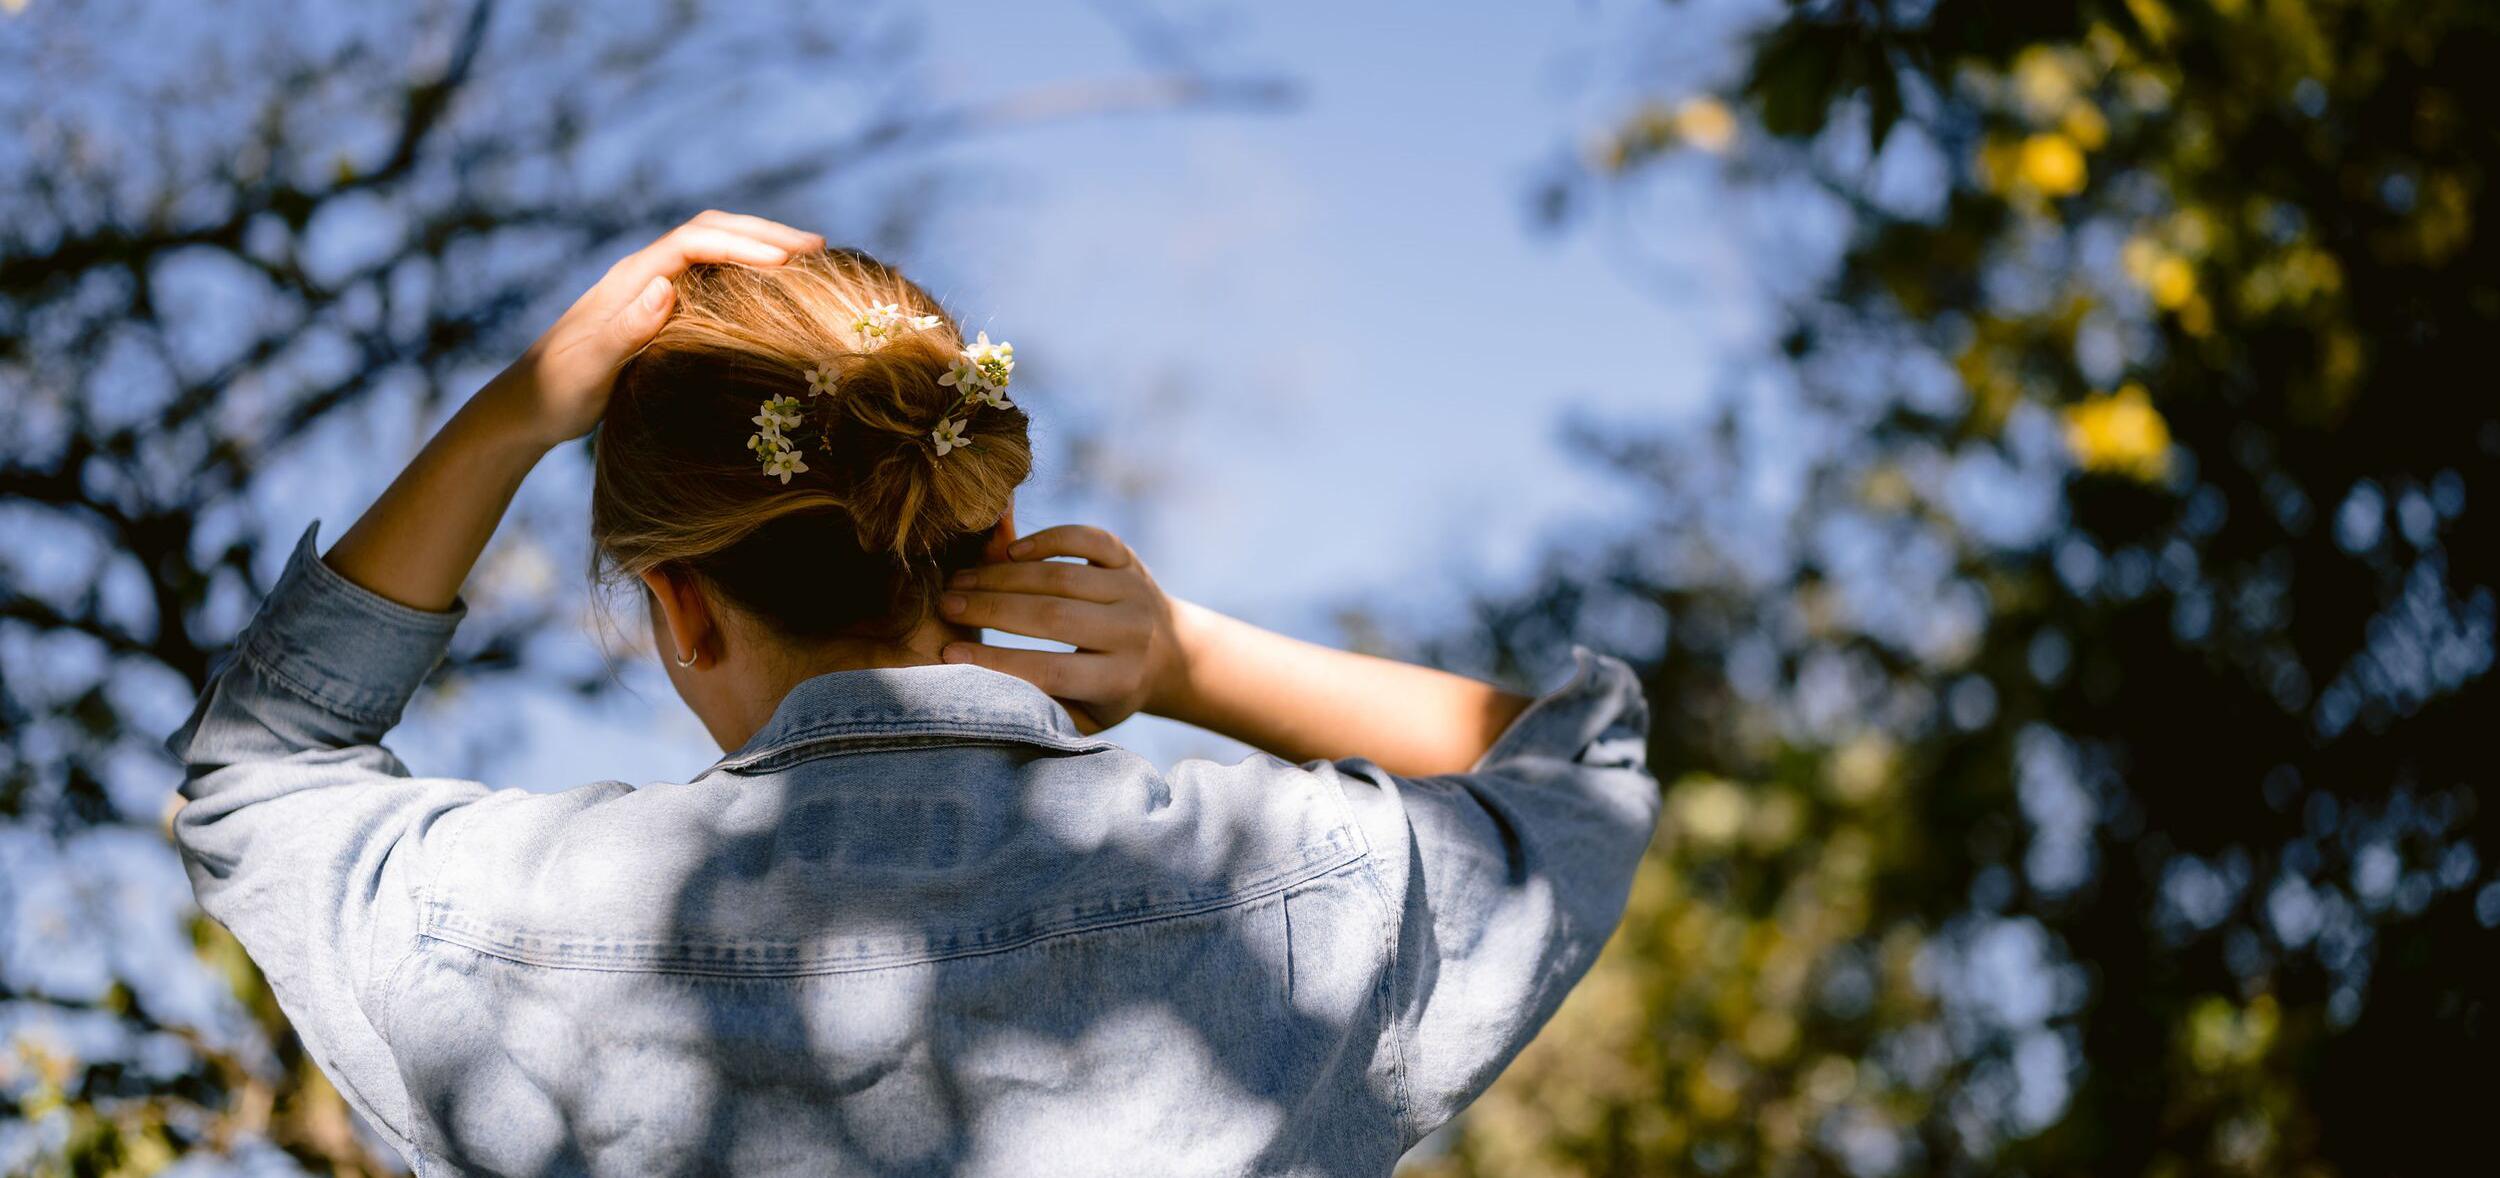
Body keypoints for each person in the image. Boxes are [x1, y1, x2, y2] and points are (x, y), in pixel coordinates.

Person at [165, 212, 1660, 1177]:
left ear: (680, 609)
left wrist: (512, 416)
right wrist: (1185, 656)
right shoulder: (1296, 883)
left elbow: (258, 770)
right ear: (989, 534)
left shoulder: (475, 919)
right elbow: (1578, 763)